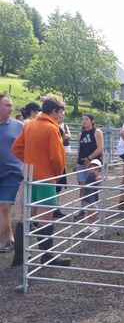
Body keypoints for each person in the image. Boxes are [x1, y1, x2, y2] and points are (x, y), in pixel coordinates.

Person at [12, 95, 70, 266]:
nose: (62, 116)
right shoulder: (52, 129)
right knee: (45, 217)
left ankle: (19, 256)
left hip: (30, 177)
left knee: (26, 217)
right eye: (61, 113)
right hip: (46, 178)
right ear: (53, 112)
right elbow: (57, 159)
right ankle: (47, 255)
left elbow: (16, 149)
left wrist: (31, 161)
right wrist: (57, 174)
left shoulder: (29, 125)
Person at [0, 94, 23, 254]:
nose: (11, 108)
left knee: (4, 207)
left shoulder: (19, 126)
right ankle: (10, 239)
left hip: (13, 172)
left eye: (11, 105)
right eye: (7, 105)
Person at [74, 113, 104, 219]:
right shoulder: (80, 134)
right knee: (82, 187)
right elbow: (79, 149)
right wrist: (76, 162)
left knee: (91, 186)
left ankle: (94, 210)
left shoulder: (97, 132)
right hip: (81, 163)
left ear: (92, 121)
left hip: (93, 163)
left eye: (86, 119)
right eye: (83, 119)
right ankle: (84, 210)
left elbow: (100, 148)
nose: (84, 121)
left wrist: (89, 158)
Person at [81, 159, 102, 233]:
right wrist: (101, 177)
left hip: (91, 197)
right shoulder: (91, 175)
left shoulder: (92, 175)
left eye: (96, 169)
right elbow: (98, 180)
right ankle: (89, 226)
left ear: (99, 170)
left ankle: (89, 226)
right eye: (92, 167)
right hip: (89, 197)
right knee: (96, 211)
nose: (93, 170)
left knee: (89, 212)